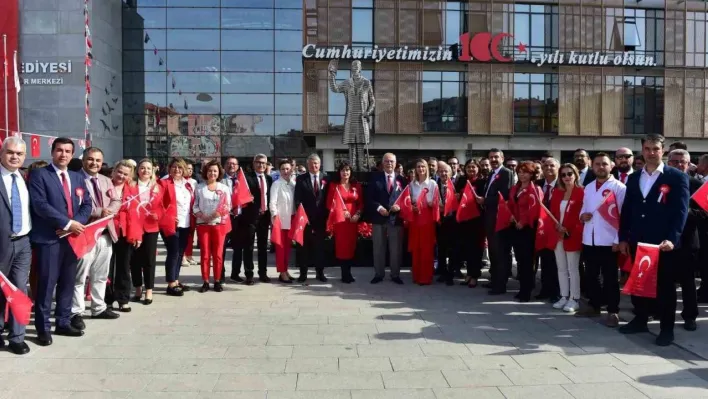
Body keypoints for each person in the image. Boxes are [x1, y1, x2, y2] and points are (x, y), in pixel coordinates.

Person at [618, 135, 689, 346]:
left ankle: (667, 329)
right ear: (642, 150)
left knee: (665, 288)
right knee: (639, 283)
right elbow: (627, 210)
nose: (651, 153)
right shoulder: (634, 177)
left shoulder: (676, 177)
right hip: (638, 240)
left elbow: (681, 212)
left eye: (655, 149)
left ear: (663, 150)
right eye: (647, 149)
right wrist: (623, 237)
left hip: (662, 243)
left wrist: (672, 239)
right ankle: (640, 319)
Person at [30, 137, 92, 345]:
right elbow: (40, 205)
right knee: (47, 285)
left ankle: (63, 322)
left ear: (72, 154)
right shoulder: (40, 175)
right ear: (52, 152)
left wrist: (77, 224)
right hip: (50, 239)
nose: (63, 154)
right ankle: (43, 328)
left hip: (72, 240)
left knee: (67, 283)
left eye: (67, 151)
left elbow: (87, 205)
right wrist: (67, 223)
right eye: (59, 150)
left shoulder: (77, 177)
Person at [71, 147, 121, 332]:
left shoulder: (106, 180)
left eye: (98, 160)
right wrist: (99, 211)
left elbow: (117, 200)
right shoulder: (74, 179)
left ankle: (98, 308)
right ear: (84, 160)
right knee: (79, 276)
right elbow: (74, 206)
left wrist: (110, 211)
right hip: (84, 234)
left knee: (100, 275)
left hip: (105, 234)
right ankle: (76, 312)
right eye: (91, 159)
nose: (94, 163)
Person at [575, 152, 626, 328]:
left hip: (609, 240)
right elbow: (583, 207)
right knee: (591, 276)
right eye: (597, 164)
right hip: (590, 238)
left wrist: (618, 239)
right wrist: (583, 215)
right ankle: (595, 305)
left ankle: (613, 311)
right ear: (592, 166)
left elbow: (623, 216)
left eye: (604, 164)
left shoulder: (619, 187)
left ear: (611, 166)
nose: (600, 167)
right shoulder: (588, 187)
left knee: (611, 278)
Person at [0, 137, 32, 354]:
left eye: (19, 154)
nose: (14, 157)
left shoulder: (24, 177)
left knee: (19, 290)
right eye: (10, 152)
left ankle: (17, 337)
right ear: (2, 153)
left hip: (23, 243)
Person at [666, 149, 702, 331]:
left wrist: (687, 213)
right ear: (668, 162)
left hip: (687, 241)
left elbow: (704, 214)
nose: (679, 164)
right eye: (675, 161)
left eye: (683, 162)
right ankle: (662, 313)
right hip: (664, 240)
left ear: (689, 165)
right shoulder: (660, 181)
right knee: (664, 281)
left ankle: (690, 316)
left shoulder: (697, 184)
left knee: (687, 283)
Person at [105, 161, 142, 312]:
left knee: (124, 267)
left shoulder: (132, 189)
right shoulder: (104, 186)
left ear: (129, 176)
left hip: (125, 232)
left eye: (125, 174)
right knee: (106, 267)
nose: (121, 176)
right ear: (113, 171)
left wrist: (137, 235)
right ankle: (106, 299)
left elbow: (136, 214)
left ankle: (123, 298)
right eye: (119, 172)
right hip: (106, 230)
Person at [367, 153, 407, 285]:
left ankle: (395, 274)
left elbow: (406, 199)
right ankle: (379, 274)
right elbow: (369, 198)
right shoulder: (374, 178)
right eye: (386, 161)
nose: (389, 163)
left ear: (395, 164)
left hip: (395, 219)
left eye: (391, 161)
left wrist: (399, 206)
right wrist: (379, 208)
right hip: (379, 218)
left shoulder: (402, 180)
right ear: (382, 163)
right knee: (378, 247)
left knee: (395, 249)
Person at [550, 163, 584, 313]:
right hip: (558, 234)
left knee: (573, 268)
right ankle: (564, 296)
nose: (566, 177)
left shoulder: (582, 192)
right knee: (561, 268)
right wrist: (558, 226)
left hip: (573, 234)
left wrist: (568, 229)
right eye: (563, 175)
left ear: (576, 174)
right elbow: (552, 214)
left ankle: (574, 298)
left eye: (569, 174)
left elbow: (582, 216)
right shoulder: (557, 192)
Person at [193, 160, 231, 293]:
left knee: (218, 254)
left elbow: (227, 205)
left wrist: (216, 214)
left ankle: (217, 280)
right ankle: (205, 281)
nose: (212, 173)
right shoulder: (199, 187)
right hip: (203, 224)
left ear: (219, 172)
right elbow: (195, 205)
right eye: (210, 170)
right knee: (205, 254)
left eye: (215, 171)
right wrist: (202, 215)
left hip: (219, 224)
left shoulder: (224, 188)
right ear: (205, 172)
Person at [158, 157, 194, 297]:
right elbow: (158, 204)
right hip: (170, 224)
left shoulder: (188, 184)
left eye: (180, 167)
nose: (177, 170)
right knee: (173, 252)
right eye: (174, 167)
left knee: (180, 252)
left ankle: (176, 279)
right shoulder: (163, 183)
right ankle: (171, 283)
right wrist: (168, 216)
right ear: (169, 169)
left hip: (185, 223)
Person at [508, 161, 543, 302]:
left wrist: (523, 221)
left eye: (526, 172)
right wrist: (510, 215)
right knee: (520, 260)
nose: (522, 174)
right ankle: (522, 288)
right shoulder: (515, 188)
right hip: (515, 227)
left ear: (532, 174)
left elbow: (534, 209)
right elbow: (510, 204)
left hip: (528, 229)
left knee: (528, 261)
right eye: (520, 171)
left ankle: (526, 291)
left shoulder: (535, 189)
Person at [480, 149, 513, 295]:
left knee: (500, 253)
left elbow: (504, 196)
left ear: (502, 158)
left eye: (496, 157)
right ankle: (494, 280)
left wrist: (485, 200)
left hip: (499, 219)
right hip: (489, 218)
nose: (493, 160)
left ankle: (500, 285)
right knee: (493, 252)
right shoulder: (492, 174)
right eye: (491, 157)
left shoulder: (506, 173)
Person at [131, 159, 162, 305]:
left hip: (151, 227)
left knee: (149, 259)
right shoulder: (131, 186)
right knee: (135, 259)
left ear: (152, 171)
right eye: (142, 168)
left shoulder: (157, 187)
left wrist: (158, 214)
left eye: (148, 168)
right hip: (135, 226)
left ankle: (149, 289)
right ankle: (138, 287)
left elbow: (163, 206)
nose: (145, 171)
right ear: (138, 170)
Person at [294, 153, 329, 283]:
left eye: (316, 163)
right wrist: (302, 214)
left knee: (320, 247)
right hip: (305, 219)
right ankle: (303, 273)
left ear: (320, 164)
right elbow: (297, 199)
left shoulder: (326, 178)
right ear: (307, 165)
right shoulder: (301, 179)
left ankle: (320, 273)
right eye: (311, 163)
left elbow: (328, 198)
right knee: (303, 248)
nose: (314, 165)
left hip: (321, 219)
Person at [327, 161, 363, 283]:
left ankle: (349, 272)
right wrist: (342, 212)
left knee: (351, 245)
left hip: (353, 221)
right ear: (339, 172)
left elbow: (361, 203)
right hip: (341, 221)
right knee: (342, 247)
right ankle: (344, 274)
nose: (345, 172)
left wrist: (357, 214)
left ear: (350, 172)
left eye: (347, 170)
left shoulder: (356, 185)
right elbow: (329, 204)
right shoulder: (334, 186)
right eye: (343, 170)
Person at [241, 154, 273, 285]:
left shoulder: (269, 179)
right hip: (250, 217)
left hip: (265, 217)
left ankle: (263, 273)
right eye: (259, 163)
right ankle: (249, 274)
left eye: (264, 163)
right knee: (248, 247)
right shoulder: (247, 179)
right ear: (254, 164)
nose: (261, 165)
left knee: (263, 246)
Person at [455, 159, 486, 288]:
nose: (471, 170)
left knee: (476, 249)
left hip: (477, 220)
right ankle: (468, 274)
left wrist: (482, 200)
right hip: (464, 220)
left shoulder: (483, 182)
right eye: (469, 167)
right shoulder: (462, 180)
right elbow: (456, 195)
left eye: (474, 167)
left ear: (478, 168)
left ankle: (475, 275)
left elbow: (486, 198)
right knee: (466, 248)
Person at [408, 159, 437, 285]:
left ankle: (426, 277)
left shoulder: (432, 184)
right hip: (415, 219)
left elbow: (437, 202)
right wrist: (412, 206)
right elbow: (408, 201)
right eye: (418, 167)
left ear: (427, 169)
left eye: (423, 167)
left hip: (427, 218)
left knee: (426, 249)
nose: (421, 169)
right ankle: (416, 275)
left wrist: (432, 203)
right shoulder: (411, 184)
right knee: (416, 248)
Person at [536, 157, 560, 302]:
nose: (548, 168)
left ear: (558, 168)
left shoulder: (563, 184)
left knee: (556, 263)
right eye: (545, 166)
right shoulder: (537, 184)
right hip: (542, 229)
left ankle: (556, 292)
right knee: (544, 261)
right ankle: (545, 289)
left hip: (557, 229)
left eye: (552, 165)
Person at [269, 159, 296, 283]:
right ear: (279, 171)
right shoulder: (276, 184)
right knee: (280, 248)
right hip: (280, 220)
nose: (286, 171)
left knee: (288, 248)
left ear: (292, 170)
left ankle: (285, 270)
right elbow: (272, 202)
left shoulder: (293, 184)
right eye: (283, 169)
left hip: (291, 219)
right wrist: (275, 216)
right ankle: (282, 272)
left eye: (288, 169)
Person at [221, 156, 245, 283]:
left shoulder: (242, 180)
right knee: (222, 247)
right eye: (229, 164)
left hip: (239, 218)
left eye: (234, 164)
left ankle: (235, 273)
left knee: (238, 248)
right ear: (224, 166)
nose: (231, 166)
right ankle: (221, 274)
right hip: (225, 218)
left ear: (238, 166)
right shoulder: (220, 181)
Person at [436, 161, 459, 285]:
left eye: (446, 171)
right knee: (441, 249)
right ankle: (442, 272)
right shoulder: (435, 184)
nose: (443, 173)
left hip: (453, 222)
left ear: (450, 173)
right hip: (440, 222)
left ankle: (451, 274)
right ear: (438, 173)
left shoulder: (456, 185)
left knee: (452, 249)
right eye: (441, 171)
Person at [182, 161, 198, 267]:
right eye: (188, 168)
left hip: (193, 212)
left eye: (191, 169)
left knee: (191, 235)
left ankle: (189, 255)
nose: (190, 171)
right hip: (183, 212)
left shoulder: (194, 182)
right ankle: (183, 256)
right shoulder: (180, 181)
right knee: (183, 235)